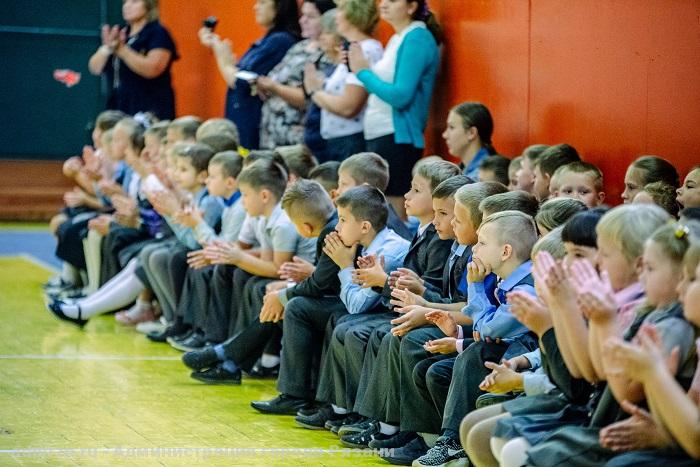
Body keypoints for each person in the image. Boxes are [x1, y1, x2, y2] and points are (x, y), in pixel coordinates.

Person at [348, 0, 442, 219]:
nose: (384, 4)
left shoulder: (417, 37)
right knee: (379, 207)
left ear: (411, 7)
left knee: (393, 208)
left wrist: (362, 72)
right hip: (381, 133)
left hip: (398, 136)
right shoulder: (396, 38)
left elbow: (401, 95)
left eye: (393, 0)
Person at [199, 0, 301, 149]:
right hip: (244, 118)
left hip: (254, 123)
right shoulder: (268, 39)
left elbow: (241, 81)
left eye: (262, 2)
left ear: (279, 6)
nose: (255, 7)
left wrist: (220, 55)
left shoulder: (280, 41)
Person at [303, 2, 383, 162]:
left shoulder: (365, 49)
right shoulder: (352, 49)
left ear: (353, 16)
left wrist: (314, 91)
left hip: (351, 140)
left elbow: (349, 107)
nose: (336, 16)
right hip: (340, 140)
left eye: (340, 10)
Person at [257, 0, 336, 149]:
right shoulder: (299, 46)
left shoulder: (329, 54)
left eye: (310, 17)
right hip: (271, 133)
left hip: (297, 138)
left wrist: (275, 88)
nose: (302, 20)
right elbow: (275, 76)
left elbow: (310, 97)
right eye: (302, 15)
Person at [88, 0, 178, 119]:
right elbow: (94, 68)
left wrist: (122, 51)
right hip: (118, 105)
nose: (127, 6)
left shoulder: (157, 33)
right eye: (125, 2)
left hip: (149, 108)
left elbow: (153, 69)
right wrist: (107, 48)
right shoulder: (121, 33)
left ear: (148, 5)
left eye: (134, 2)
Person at [443, 102, 498, 181]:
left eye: (451, 127)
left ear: (472, 133)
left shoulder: (484, 177)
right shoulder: (463, 169)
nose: (445, 135)